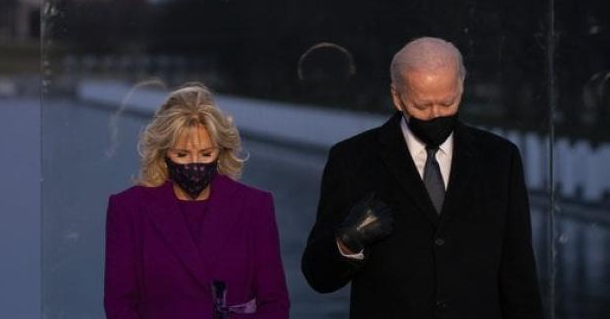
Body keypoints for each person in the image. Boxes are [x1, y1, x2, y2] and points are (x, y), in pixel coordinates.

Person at [300, 37, 544, 318]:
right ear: (397, 97)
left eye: (447, 102)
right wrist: (347, 241)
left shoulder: (500, 159)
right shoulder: (351, 160)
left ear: (461, 88)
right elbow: (318, 277)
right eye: (422, 106)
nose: (436, 114)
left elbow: (519, 274)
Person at [104, 83, 290, 319]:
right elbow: (119, 305)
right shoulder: (128, 209)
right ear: (163, 153)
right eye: (182, 155)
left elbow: (274, 303)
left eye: (205, 154)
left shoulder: (255, 206)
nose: (195, 164)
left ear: (221, 152)